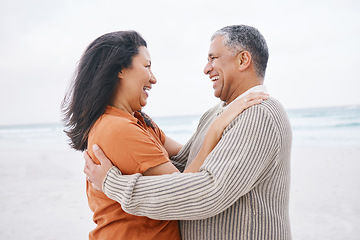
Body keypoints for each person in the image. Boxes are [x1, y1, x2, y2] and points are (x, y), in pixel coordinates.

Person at [84, 25, 292, 240]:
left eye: (214, 58)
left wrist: (113, 183)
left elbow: (206, 193)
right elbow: (183, 166)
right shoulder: (215, 115)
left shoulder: (259, 115)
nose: (206, 68)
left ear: (243, 60)